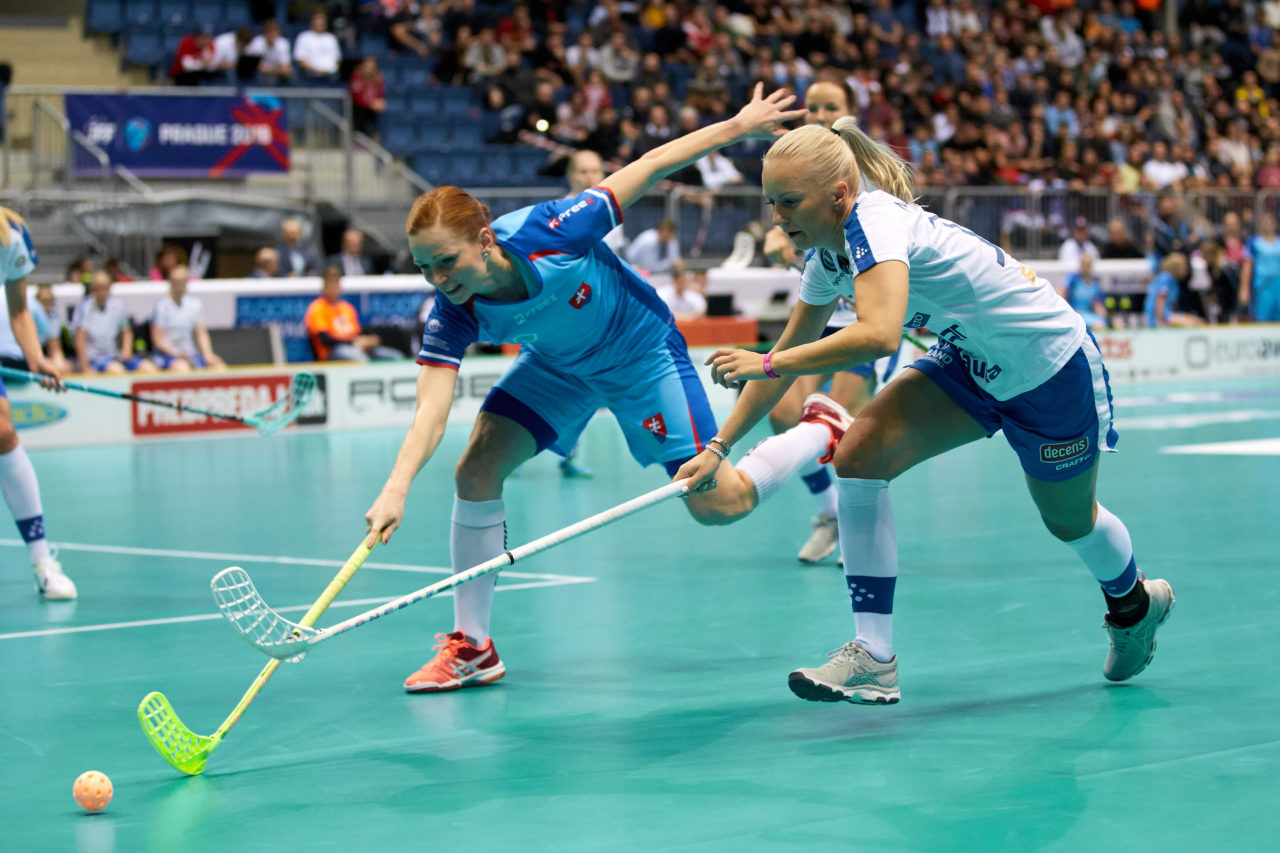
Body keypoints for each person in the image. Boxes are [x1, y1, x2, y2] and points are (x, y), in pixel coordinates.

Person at [362, 86, 857, 695]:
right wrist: (396, 488)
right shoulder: (454, 309)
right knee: (476, 469)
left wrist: (736, 126)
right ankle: (473, 647)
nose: (439, 280)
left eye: (446, 263)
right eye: (425, 269)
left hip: (641, 353)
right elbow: (431, 411)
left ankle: (819, 430)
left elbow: (650, 165)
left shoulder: (552, 231)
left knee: (715, 503)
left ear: (485, 241)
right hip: (559, 366)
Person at [678, 116, 1174, 706]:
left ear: (838, 194)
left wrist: (766, 364)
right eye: (771, 203)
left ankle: (1133, 605)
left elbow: (880, 334)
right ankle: (873, 657)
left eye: (789, 202)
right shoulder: (826, 259)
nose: (778, 219)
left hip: (1047, 367)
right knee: (859, 456)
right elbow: (788, 355)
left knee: (1068, 520)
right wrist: (718, 449)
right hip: (968, 361)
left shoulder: (876, 220)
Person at [761, 77, 901, 565]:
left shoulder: (868, 172)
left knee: (839, 425)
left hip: (866, 316)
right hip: (822, 309)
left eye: (831, 106)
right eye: (813, 106)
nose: (819, 113)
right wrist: (781, 243)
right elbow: (790, 236)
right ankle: (831, 511)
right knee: (783, 413)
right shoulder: (794, 170)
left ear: (849, 111)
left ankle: (858, 521)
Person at [0, 207, 74, 599]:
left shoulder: (11, 239)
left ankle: (43, 562)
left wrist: (37, 358)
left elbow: (19, 309)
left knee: (2, 430)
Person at [304, 266, 403, 361]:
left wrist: (367, 341)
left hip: (355, 346)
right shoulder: (317, 307)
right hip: (332, 352)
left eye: (336, 284)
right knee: (360, 358)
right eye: (331, 284)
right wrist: (353, 343)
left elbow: (356, 333)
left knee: (394, 356)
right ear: (324, 287)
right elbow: (325, 339)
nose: (334, 288)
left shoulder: (346, 307)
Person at [72, 271, 156, 374]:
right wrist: (85, 367)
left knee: (148, 368)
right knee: (116, 370)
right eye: (97, 288)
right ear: (92, 289)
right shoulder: (85, 307)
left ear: (109, 287)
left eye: (104, 287)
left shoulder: (118, 305)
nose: (101, 291)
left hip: (114, 355)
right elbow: (80, 338)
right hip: (95, 358)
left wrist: (126, 350)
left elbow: (126, 331)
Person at [149, 265, 225, 371]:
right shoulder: (161, 306)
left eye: (183, 281)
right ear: (170, 282)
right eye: (177, 281)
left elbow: (201, 333)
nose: (180, 284)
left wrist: (208, 355)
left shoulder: (194, 304)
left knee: (219, 367)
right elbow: (158, 340)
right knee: (182, 368)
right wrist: (177, 353)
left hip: (190, 354)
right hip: (166, 356)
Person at [565, 150, 625, 254]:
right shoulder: (561, 211)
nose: (589, 177)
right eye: (583, 172)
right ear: (570, 175)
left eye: (595, 171)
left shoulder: (611, 210)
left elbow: (614, 253)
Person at [1145, 253, 1203, 328]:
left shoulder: (1172, 280)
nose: (1186, 269)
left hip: (1165, 314)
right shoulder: (1166, 278)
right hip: (1158, 316)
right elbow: (1160, 299)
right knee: (1195, 323)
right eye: (1184, 266)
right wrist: (1159, 321)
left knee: (1195, 319)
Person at [1242, 212, 1280, 322]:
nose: (1267, 223)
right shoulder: (1253, 242)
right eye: (1264, 221)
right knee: (1261, 319)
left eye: (1270, 221)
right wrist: (1244, 289)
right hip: (1262, 287)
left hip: (1278, 286)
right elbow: (1247, 266)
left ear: (1275, 223)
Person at [1059, 254, 1111, 330]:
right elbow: (1061, 292)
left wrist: (1107, 317)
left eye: (1088, 265)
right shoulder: (1072, 279)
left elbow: (1097, 305)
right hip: (1073, 314)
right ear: (1080, 265)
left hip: (1087, 314)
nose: (1086, 267)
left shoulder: (1095, 284)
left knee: (1110, 324)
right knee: (1097, 326)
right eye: (1084, 264)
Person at [293, 11, 341, 84]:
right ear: (312, 22)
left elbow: (338, 60)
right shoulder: (303, 37)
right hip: (310, 77)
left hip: (330, 77)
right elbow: (300, 61)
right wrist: (317, 71)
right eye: (317, 20)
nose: (319, 23)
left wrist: (328, 71)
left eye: (321, 20)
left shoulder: (331, 38)